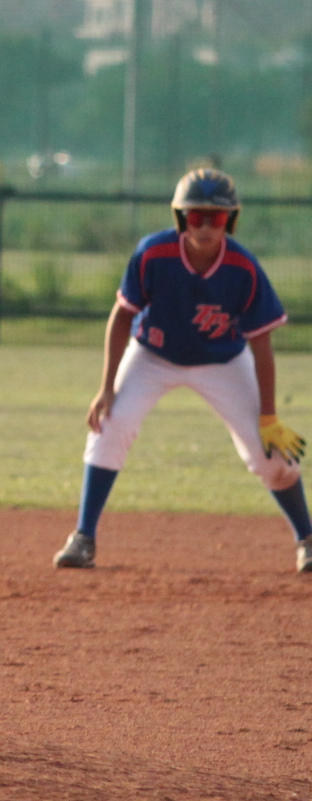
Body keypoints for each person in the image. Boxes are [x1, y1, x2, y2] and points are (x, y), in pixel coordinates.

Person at [57, 168, 311, 571]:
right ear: (180, 218)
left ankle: (307, 540)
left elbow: (262, 347)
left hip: (224, 362)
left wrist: (269, 416)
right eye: (196, 216)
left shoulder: (242, 268)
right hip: (152, 356)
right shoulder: (153, 254)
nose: (206, 226)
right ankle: (83, 537)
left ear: (231, 220)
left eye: (217, 217)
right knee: (112, 424)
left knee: (272, 456)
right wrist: (106, 388)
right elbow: (122, 317)